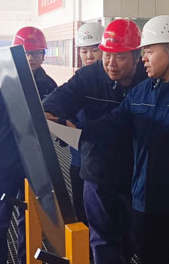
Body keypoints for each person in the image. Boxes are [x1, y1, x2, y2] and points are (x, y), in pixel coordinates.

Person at [78, 15, 169, 264]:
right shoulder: (141, 92)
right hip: (145, 203)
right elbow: (113, 125)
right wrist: (77, 130)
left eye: (148, 51)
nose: (143, 58)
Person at [42, 19, 146, 264]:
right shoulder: (89, 77)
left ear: (137, 56)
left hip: (137, 174)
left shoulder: (149, 79)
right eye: (107, 55)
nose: (111, 63)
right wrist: (48, 111)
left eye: (120, 57)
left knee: (138, 238)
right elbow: (62, 96)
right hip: (98, 171)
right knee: (101, 237)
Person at [0, 26, 57, 264]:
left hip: (35, 166)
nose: (31, 58)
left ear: (44, 55)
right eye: (25, 52)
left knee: (31, 220)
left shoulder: (48, 86)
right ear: (14, 53)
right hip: (1, 165)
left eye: (36, 52)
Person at [68, 22, 104, 227]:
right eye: (84, 51)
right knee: (81, 214)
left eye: (94, 50)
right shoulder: (77, 82)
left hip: (105, 165)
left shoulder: (114, 81)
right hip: (79, 160)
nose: (89, 56)